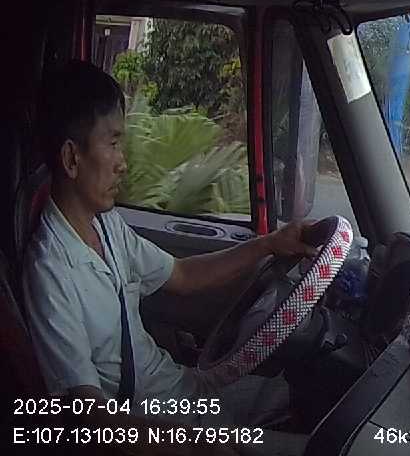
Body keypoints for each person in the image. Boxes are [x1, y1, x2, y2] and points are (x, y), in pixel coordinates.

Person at [22, 61, 318, 448]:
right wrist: (193, 443)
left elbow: (181, 275)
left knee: (304, 395)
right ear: (71, 159)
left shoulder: (106, 225)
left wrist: (268, 244)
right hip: (151, 424)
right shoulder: (49, 272)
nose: (123, 162)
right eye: (113, 144)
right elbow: (90, 416)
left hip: (184, 388)